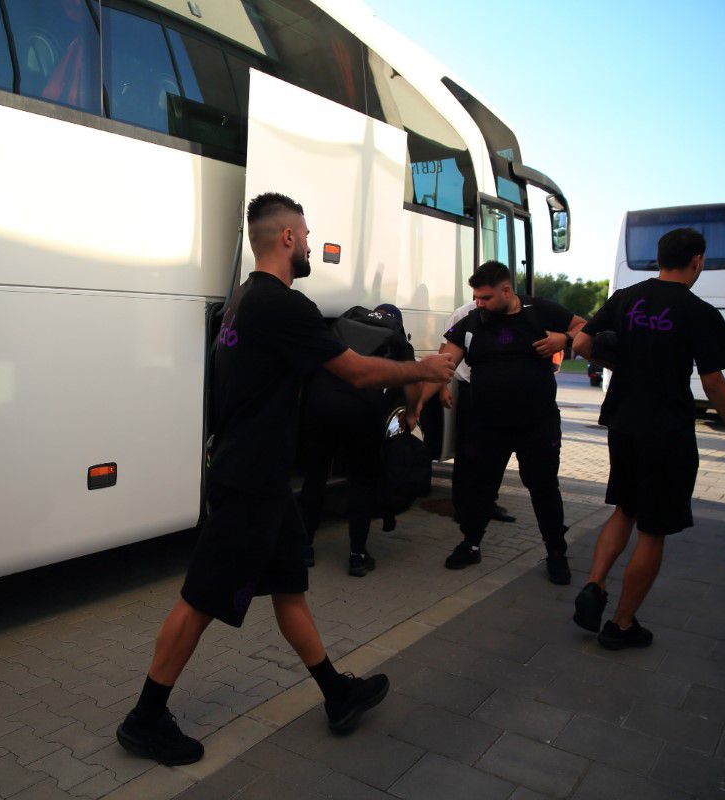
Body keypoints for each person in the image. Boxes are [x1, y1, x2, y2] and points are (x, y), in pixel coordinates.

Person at [116, 193, 455, 766]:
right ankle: (144, 719)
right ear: (288, 239)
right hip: (250, 480)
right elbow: (357, 373)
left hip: (260, 479)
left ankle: (335, 693)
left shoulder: (243, 300)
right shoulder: (281, 305)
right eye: (306, 232)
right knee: (201, 598)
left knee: (289, 588)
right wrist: (423, 368)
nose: (310, 242)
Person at [572, 227, 725, 649]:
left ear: (660, 258)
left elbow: (581, 342)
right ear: (697, 261)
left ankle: (595, 585)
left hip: (622, 421)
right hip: (666, 429)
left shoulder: (625, 298)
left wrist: (623, 363)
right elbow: (713, 384)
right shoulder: (699, 311)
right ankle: (620, 625)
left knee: (624, 509)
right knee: (653, 530)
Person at [421, 261, 585, 584]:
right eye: (476, 297)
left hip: (536, 425)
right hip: (488, 425)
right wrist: (419, 401)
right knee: (480, 489)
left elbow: (583, 327)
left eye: (485, 298)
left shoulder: (539, 311)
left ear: (506, 291)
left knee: (544, 488)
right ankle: (471, 544)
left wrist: (563, 340)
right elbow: (443, 362)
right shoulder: (472, 322)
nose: (479, 303)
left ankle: (556, 552)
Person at [298, 304, 415, 576]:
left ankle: (303, 548)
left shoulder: (344, 324)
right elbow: (411, 379)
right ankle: (357, 555)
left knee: (315, 476)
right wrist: (411, 412)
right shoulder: (396, 335)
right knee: (361, 481)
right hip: (362, 410)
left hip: (321, 404)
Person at [437, 300, 516, 526]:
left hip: (498, 391)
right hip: (471, 389)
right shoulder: (463, 314)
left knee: (494, 451)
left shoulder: (507, 311)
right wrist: (442, 387)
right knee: (466, 451)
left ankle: (488, 503)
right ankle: (462, 507)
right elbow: (445, 353)